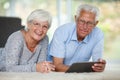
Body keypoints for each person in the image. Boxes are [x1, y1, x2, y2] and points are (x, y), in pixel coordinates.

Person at [48, 4, 106, 72]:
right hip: (51, 71)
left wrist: (100, 66)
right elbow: (57, 66)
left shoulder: (98, 34)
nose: (84, 27)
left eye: (89, 23)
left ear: (95, 24)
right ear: (76, 19)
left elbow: (97, 63)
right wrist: (82, 69)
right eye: (82, 21)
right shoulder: (62, 31)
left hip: (76, 74)